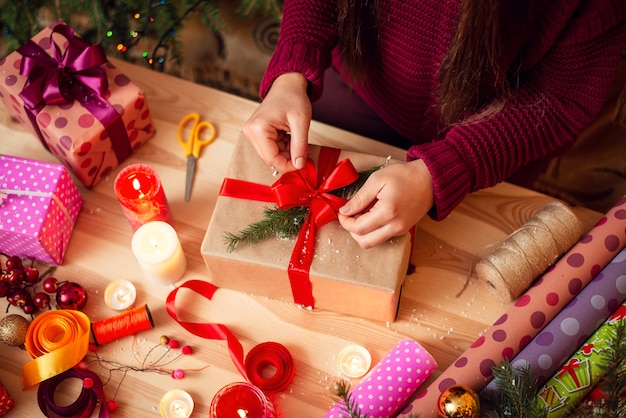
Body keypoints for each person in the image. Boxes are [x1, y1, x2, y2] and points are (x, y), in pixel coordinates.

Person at [243, 0, 626, 249]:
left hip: (498, 140)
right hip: (360, 83)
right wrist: (291, 74)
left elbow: (559, 101)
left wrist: (444, 169)